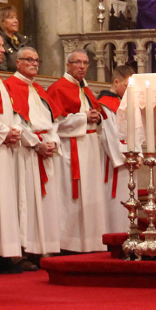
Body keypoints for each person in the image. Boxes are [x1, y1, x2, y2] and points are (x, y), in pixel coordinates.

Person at [0, 33, 46, 272]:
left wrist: (19, 134)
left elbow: (14, 113)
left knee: (4, 203)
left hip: (5, 147)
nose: (3, 50)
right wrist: (4, 133)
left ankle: (3, 254)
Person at [0, 45, 63, 261]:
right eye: (29, 60)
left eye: (37, 60)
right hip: (26, 153)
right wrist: (36, 144)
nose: (34, 63)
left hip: (45, 151)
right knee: (27, 201)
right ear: (18, 63)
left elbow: (53, 121)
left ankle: (45, 247)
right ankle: (27, 249)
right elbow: (15, 122)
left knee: (46, 202)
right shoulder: (10, 86)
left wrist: (52, 141)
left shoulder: (38, 89)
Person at [47, 49, 107, 251]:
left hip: (89, 146)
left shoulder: (85, 88)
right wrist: (84, 118)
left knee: (90, 194)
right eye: (77, 62)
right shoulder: (58, 88)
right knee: (71, 196)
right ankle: (69, 242)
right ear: (68, 65)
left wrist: (95, 118)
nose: (82, 66)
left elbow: (95, 112)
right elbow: (54, 123)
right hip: (71, 148)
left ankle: (90, 241)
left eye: (85, 63)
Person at [96, 64, 138, 233]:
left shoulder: (124, 102)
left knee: (128, 198)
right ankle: (114, 236)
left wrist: (138, 154)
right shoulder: (104, 104)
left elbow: (136, 131)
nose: (129, 91)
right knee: (115, 199)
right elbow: (108, 136)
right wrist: (125, 157)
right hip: (115, 161)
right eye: (126, 87)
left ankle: (129, 233)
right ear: (115, 82)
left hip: (129, 158)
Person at [0, 6, 27, 71]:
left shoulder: (23, 41)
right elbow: (2, 69)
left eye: (16, 18)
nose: (16, 21)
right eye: (11, 18)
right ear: (1, 22)